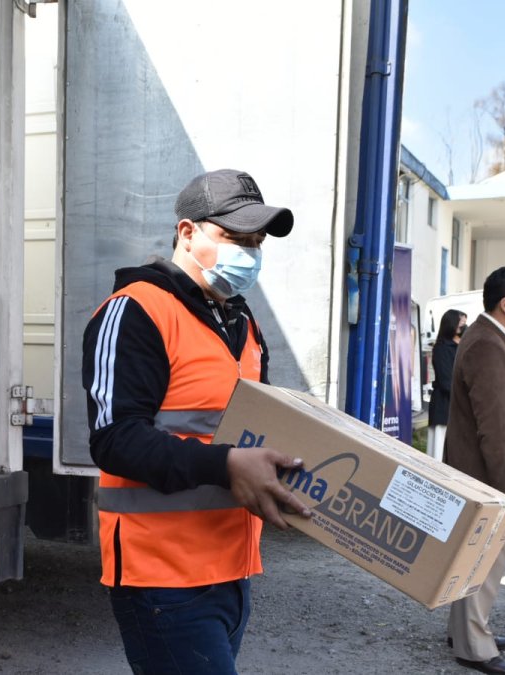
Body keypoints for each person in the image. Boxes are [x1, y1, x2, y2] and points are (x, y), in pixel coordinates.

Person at [81, 169, 311, 674]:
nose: (249, 252)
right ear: (188, 232)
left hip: (232, 568)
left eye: (256, 242)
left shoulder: (241, 322)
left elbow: (253, 426)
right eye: (235, 238)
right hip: (162, 577)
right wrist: (227, 464)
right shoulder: (136, 310)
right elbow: (116, 440)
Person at [443, 266, 505, 675]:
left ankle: (466, 631)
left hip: (486, 476)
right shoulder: (487, 343)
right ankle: (475, 647)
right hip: (488, 479)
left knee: (473, 559)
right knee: (482, 562)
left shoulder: (494, 337)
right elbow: (493, 425)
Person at [427, 309, 466, 462]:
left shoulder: (461, 347)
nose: (463, 327)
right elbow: (446, 381)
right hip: (444, 406)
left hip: (457, 408)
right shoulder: (442, 348)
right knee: (439, 451)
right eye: (460, 324)